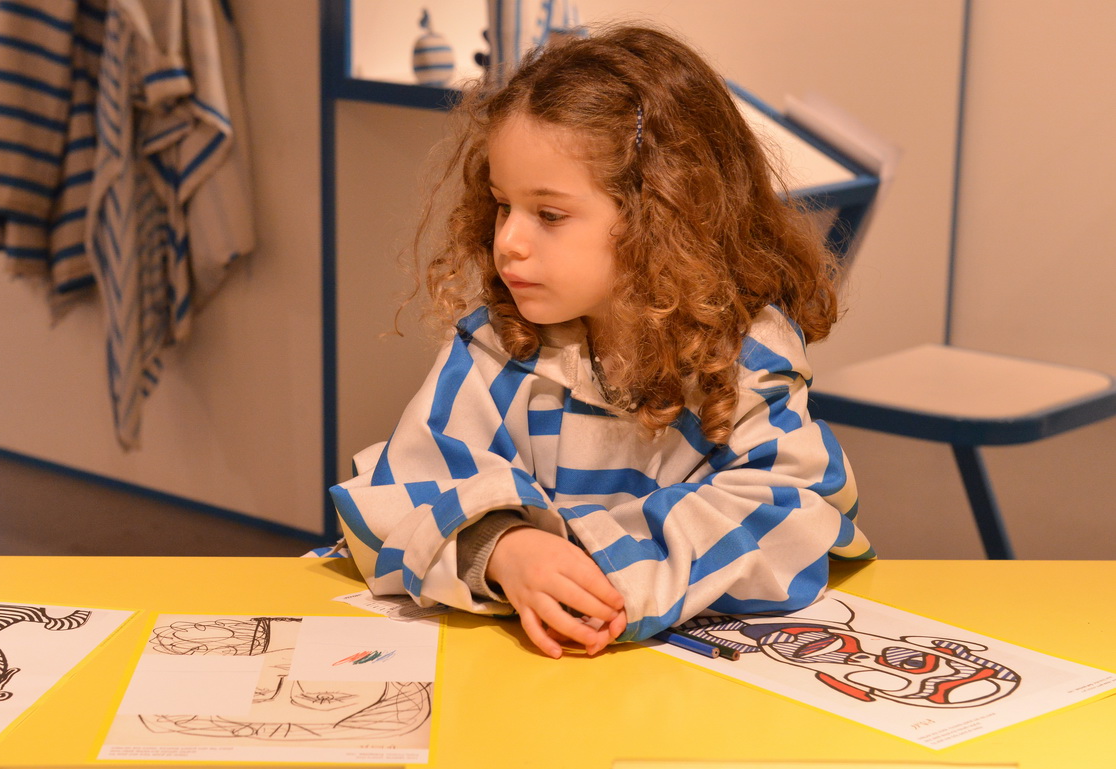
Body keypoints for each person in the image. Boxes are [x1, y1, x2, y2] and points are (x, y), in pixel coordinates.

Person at [329, 24, 872, 658]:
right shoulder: (499, 345)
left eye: (549, 214)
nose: (508, 241)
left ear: (665, 214)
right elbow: (398, 492)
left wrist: (598, 571)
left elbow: (793, 513)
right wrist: (502, 549)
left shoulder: (745, 355)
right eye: (503, 205)